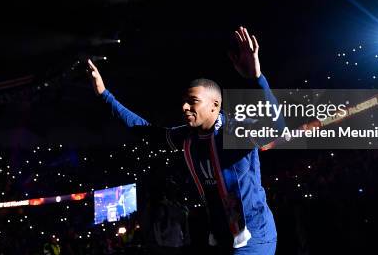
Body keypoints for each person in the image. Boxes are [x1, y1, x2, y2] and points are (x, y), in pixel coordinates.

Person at [87, 27, 284, 254]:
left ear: (215, 105)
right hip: (220, 236)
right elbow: (146, 132)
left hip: (253, 238)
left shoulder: (235, 131)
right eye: (184, 101)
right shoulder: (188, 137)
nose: (184, 107)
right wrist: (104, 94)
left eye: (193, 101)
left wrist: (256, 79)